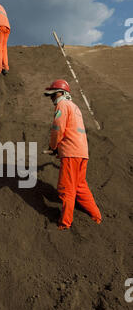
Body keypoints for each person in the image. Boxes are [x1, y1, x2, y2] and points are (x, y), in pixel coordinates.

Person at [44, 79, 102, 230]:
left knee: (66, 188)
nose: (52, 98)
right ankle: (96, 216)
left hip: (71, 153)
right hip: (82, 153)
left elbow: (58, 128)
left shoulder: (62, 105)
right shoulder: (75, 107)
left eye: (53, 95)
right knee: (80, 185)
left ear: (62, 93)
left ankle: (64, 223)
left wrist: (53, 146)